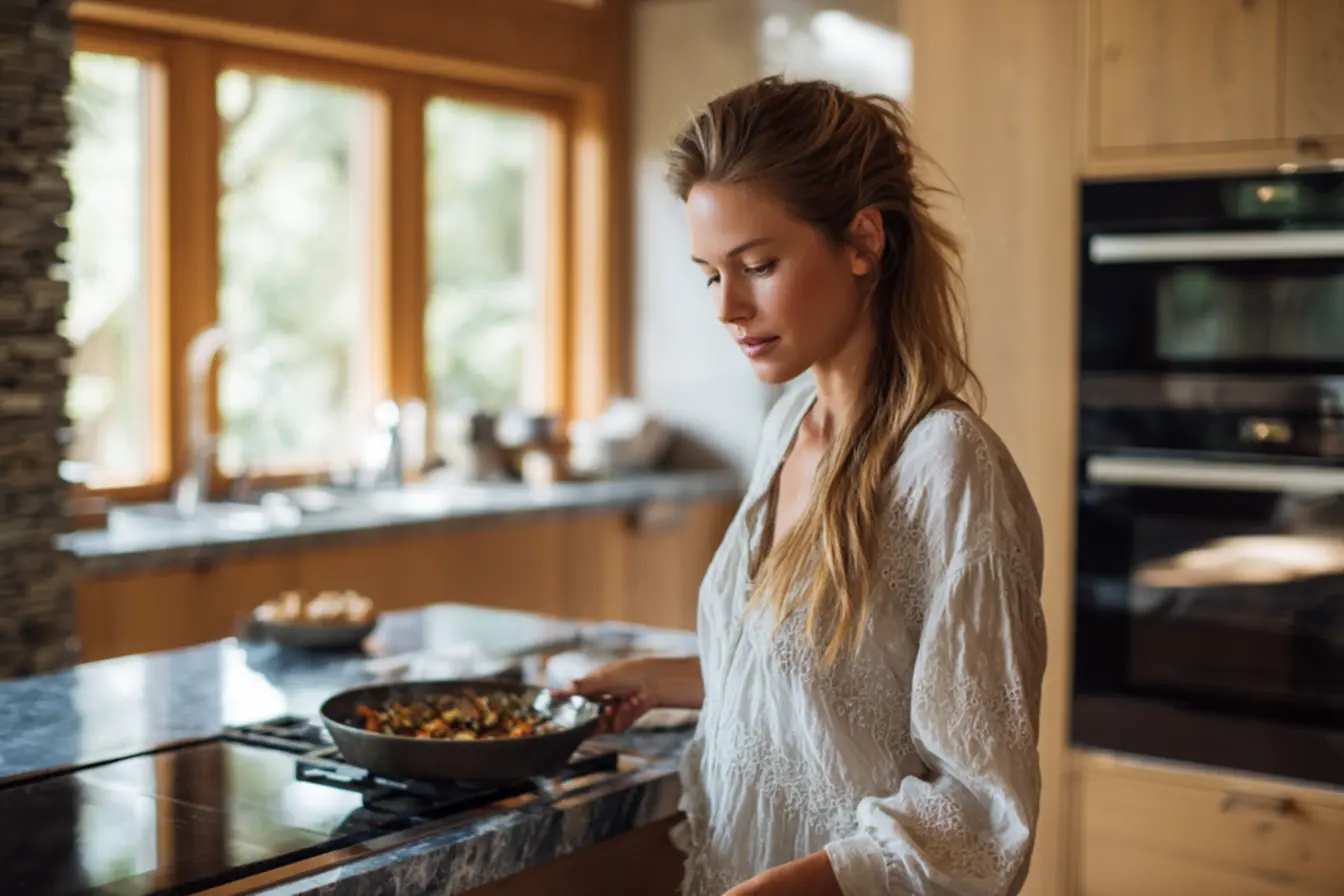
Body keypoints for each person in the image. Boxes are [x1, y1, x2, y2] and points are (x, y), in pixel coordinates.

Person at [556, 76, 1047, 896]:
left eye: (758, 264)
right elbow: (833, 690)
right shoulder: (787, 426)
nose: (729, 307)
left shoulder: (947, 467)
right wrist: (661, 677)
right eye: (712, 274)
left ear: (863, 241)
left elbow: (982, 809)